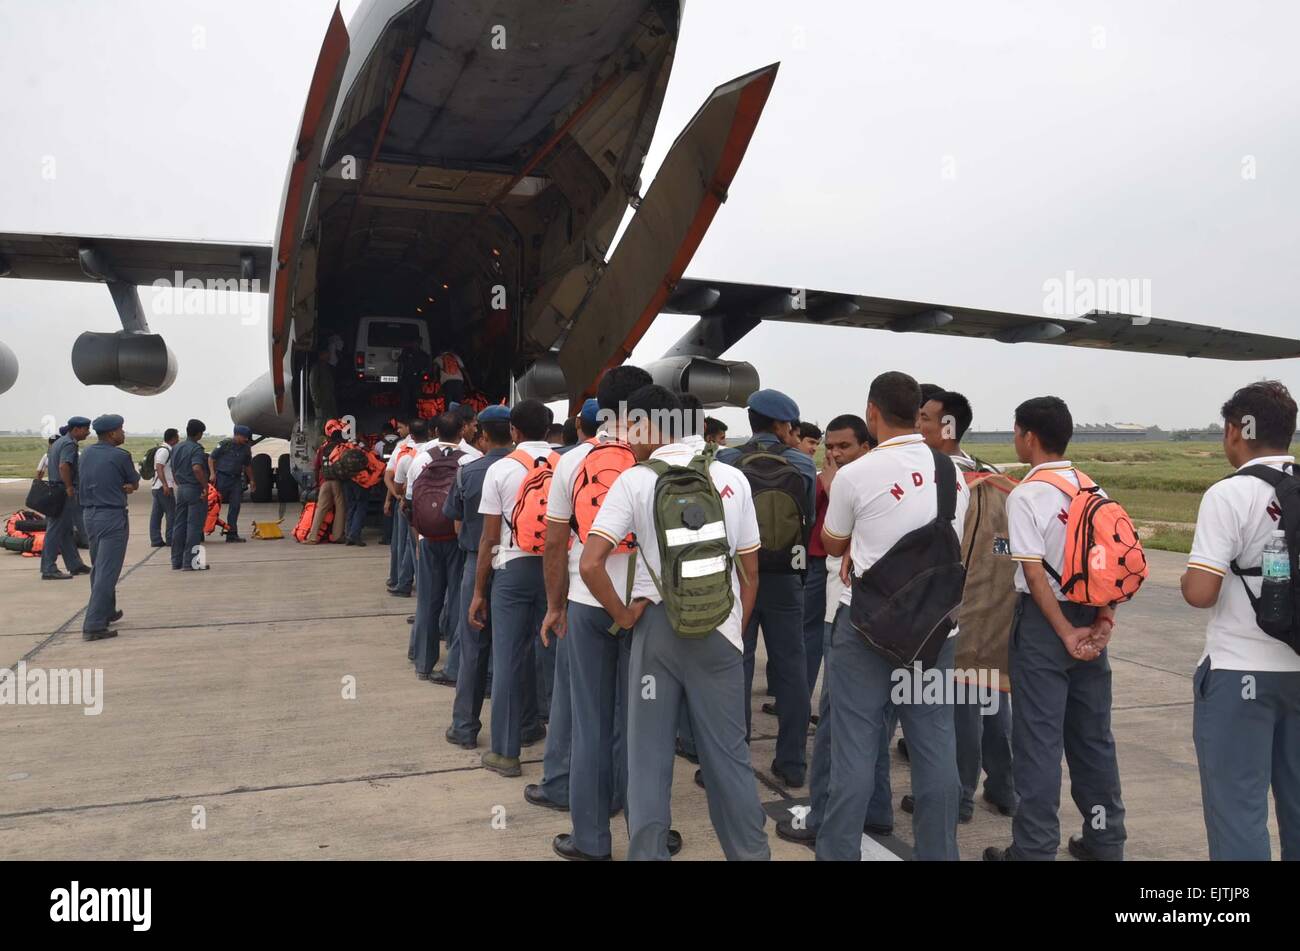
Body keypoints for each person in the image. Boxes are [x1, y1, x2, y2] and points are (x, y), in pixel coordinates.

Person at [582, 383, 769, 861]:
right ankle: (750, 854)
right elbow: (750, 570)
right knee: (728, 758)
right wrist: (736, 629)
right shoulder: (732, 478)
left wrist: (623, 615)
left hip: (657, 632)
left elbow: (590, 563)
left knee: (647, 759)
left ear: (648, 425)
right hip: (720, 629)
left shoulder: (635, 480)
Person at [816, 372, 970, 861]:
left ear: (872, 414)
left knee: (855, 751)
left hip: (865, 629)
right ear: (918, 411)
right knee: (934, 747)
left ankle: (840, 851)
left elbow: (833, 542)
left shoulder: (856, 474)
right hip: (934, 630)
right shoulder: (953, 474)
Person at [983, 396, 1125, 862]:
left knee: (1038, 743)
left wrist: (1063, 631)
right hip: (1092, 619)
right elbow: (1107, 565)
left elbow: (1033, 576)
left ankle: (1034, 848)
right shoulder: (1093, 488)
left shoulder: (1028, 493)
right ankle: (1105, 839)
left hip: (1049, 630)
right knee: (1092, 737)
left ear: (1028, 436)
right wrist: (1103, 620)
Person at [537, 366, 654, 859]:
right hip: (648, 607)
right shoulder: (656, 459)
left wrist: (554, 605)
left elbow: (555, 542)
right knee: (644, 723)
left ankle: (590, 839)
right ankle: (650, 832)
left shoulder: (571, 461)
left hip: (587, 602)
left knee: (590, 721)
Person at [1181, 380, 1300, 860]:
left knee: (1239, 814)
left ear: (1236, 431)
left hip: (1239, 672)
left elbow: (1200, 592)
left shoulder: (1229, 495)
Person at [777, 413, 890, 849]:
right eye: (830, 446)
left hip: (842, 603)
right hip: (859, 602)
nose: (835, 454)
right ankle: (876, 809)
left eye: (845, 446)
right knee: (876, 717)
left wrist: (831, 477)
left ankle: (825, 815)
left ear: (867, 442)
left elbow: (835, 539)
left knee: (836, 721)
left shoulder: (849, 480)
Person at [915, 389, 1017, 823]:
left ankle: (958, 795)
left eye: (924, 418)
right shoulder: (992, 474)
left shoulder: (938, 477)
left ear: (948, 427)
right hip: (996, 606)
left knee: (960, 707)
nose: (917, 425)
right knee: (993, 699)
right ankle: (1004, 788)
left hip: (954, 610)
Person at [718, 389, 817, 787]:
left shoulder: (726, 461)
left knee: (736, 666)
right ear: (781, 425)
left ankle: (732, 759)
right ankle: (792, 762)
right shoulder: (803, 466)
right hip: (786, 578)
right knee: (792, 669)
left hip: (739, 575)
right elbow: (806, 516)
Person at [470, 399, 553, 776]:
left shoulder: (502, 469)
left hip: (513, 569)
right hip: (558, 571)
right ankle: (550, 742)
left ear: (515, 432)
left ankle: (506, 752)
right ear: (549, 431)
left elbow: (489, 538)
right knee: (556, 657)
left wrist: (478, 591)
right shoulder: (567, 463)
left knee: (508, 658)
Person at [444, 405, 513, 749]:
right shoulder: (529, 469)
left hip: (476, 560)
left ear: (482, 435)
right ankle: (522, 726)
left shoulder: (468, 472)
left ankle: (465, 727)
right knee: (514, 649)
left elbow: (454, 519)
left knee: (473, 647)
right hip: (518, 563)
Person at [406, 412, 465, 681]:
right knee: (456, 599)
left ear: (435, 431)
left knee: (427, 601)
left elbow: (410, 501)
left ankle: (423, 662)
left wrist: (420, 535)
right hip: (457, 539)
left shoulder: (421, 458)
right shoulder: (470, 458)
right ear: (462, 431)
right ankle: (454, 659)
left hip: (428, 539)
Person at [78, 415, 140, 640]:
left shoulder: (86, 454)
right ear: (112, 433)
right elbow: (133, 481)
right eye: (121, 429)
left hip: (89, 516)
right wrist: (127, 486)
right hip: (112, 516)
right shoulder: (120, 456)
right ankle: (93, 624)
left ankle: (107, 611)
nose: (123, 433)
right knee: (107, 571)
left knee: (99, 567)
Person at [40, 417, 92, 580]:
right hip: (63, 491)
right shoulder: (69, 444)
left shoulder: (59, 442)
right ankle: (48, 568)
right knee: (55, 531)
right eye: (86, 429)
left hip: (56, 489)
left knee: (65, 531)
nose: (88, 433)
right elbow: (64, 466)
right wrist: (69, 487)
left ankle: (74, 564)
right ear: (76, 429)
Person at [170, 419, 210, 571]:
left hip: (181, 489)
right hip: (194, 489)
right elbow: (197, 468)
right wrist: (205, 486)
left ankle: (176, 561)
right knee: (194, 527)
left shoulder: (176, 448)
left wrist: (179, 483)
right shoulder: (196, 449)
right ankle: (190, 563)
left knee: (179, 525)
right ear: (199, 434)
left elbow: (173, 469)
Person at [385, 417, 417, 595]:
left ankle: (399, 579)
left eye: (401, 427)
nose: (398, 431)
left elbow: (389, 477)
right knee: (415, 546)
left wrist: (394, 497)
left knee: (401, 542)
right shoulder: (430, 450)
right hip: (427, 505)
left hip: (405, 501)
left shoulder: (402, 450)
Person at [209, 424, 255, 542]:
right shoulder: (225, 444)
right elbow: (211, 458)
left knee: (235, 506)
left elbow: (248, 465)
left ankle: (232, 534)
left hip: (235, 480)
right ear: (237, 435)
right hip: (221, 478)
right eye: (245, 437)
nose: (246, 440)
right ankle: (202, 529)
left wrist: (252, 480)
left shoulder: (245, 448)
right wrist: (212, 474)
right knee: (212, 506)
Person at [306, 421, 348, 544]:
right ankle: (337, 535)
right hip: (337, 482)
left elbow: (316, 467)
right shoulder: (342, 448)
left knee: (321, 509)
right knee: (340, 508)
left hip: (324, 481)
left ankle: (312, 537)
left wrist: (317, 483)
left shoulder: (322, 448)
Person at [148, 428, 179, 548]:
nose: (178, 439)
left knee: (156, 514)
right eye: (177, 437)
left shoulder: (164, 449)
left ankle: (156, 540)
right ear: (172, 438)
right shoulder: (165, 451)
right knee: (171, 513)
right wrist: (166, 485)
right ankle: (171, 539)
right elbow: (159, 467)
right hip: (163, 487)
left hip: (157, 487)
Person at [308, 346, 337, 435]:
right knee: (320, 421)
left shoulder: (326, 367)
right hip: (321, 399)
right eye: (326, 354)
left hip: (329, 398)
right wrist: (316, 399)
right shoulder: (316, 368)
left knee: (332, 418)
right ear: (321, 355)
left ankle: (331, 437)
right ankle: (319, 439)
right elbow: (313, 385)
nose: (329, 355)